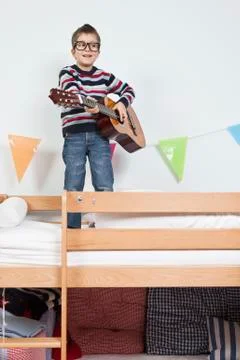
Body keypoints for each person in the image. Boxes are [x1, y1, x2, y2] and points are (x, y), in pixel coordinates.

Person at [58, 24, 135, 228]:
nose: (87, 49)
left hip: (101, 136)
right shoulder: (67, 73)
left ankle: (105, 228)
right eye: (82, 44)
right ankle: (72, 230)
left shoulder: (104, 76)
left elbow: (128, 90)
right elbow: (73, 91)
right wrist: (92, 104)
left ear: (98, 52)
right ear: (73, 50)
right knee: (74, 184)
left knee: (104, 183)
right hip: (74, 137)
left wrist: (121, 103)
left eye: (93, 45)